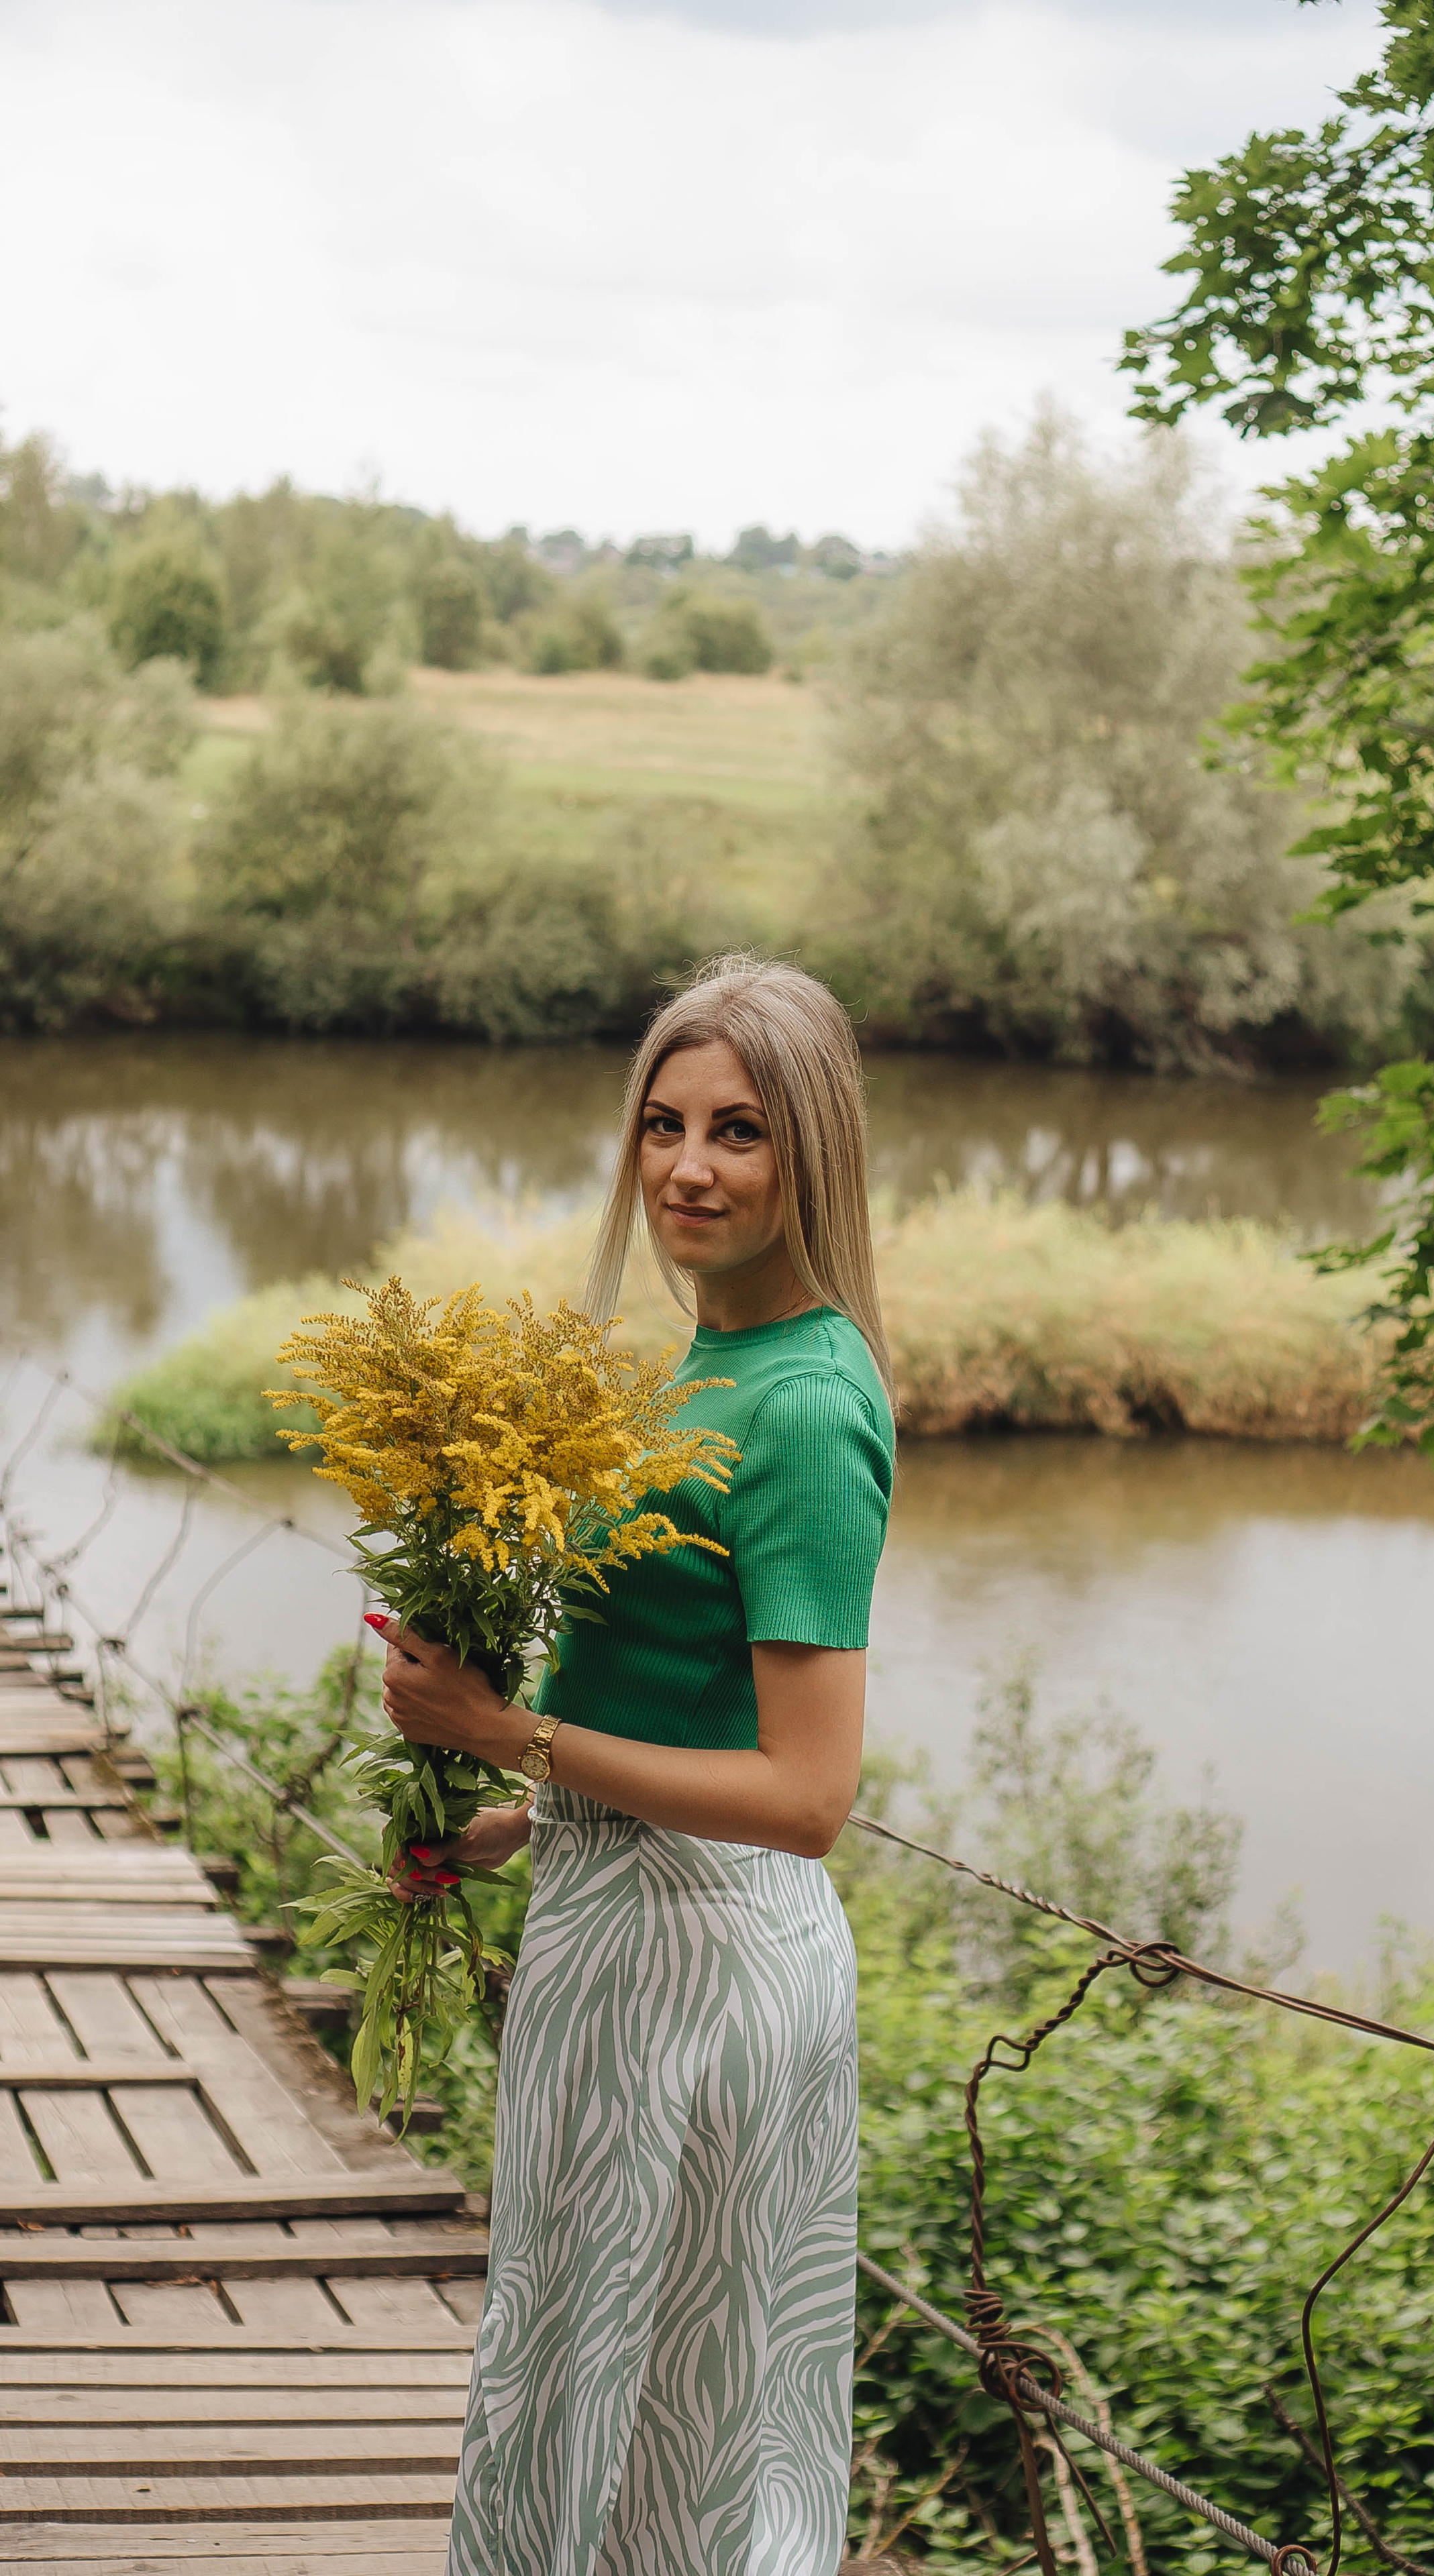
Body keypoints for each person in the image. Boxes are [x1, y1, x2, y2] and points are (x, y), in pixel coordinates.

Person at [372, 955, 894, 2576]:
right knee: (601, 2381)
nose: (686, 1167)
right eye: (662, 1125)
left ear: (813, 1148)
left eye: (739, 1131)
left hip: (705, 1972)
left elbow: (806, 1801)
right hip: (621, 1937)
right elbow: (685, 1716)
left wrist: (504, 1728)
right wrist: (520, 1815)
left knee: (670, 2418)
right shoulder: (689, 1365)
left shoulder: (803, 1404)